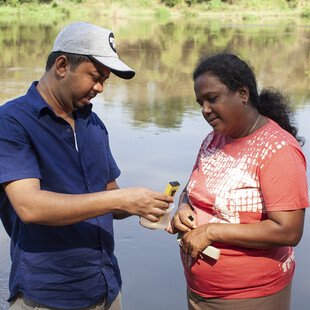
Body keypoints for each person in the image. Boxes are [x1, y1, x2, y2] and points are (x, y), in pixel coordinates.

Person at [0, 22, 173, 310]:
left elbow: (109, 195)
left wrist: (142, 203)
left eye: (105, 79)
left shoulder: (93, 124)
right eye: (95, 76)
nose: (100, 88)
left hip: (106, 289)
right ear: (62, 65)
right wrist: (119, 199)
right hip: (48, 296)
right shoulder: (11, 122)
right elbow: (30, 207)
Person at [168, 53, 309, 310]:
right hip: (200, 291)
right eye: (200, 102)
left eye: (212, 99)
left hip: (251, 296)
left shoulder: (278, 150)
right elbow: (192, 188)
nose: (205, 110)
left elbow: (289, 230)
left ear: (243, 93)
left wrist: (211, 231)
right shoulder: (213, 140)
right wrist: (183, 206)